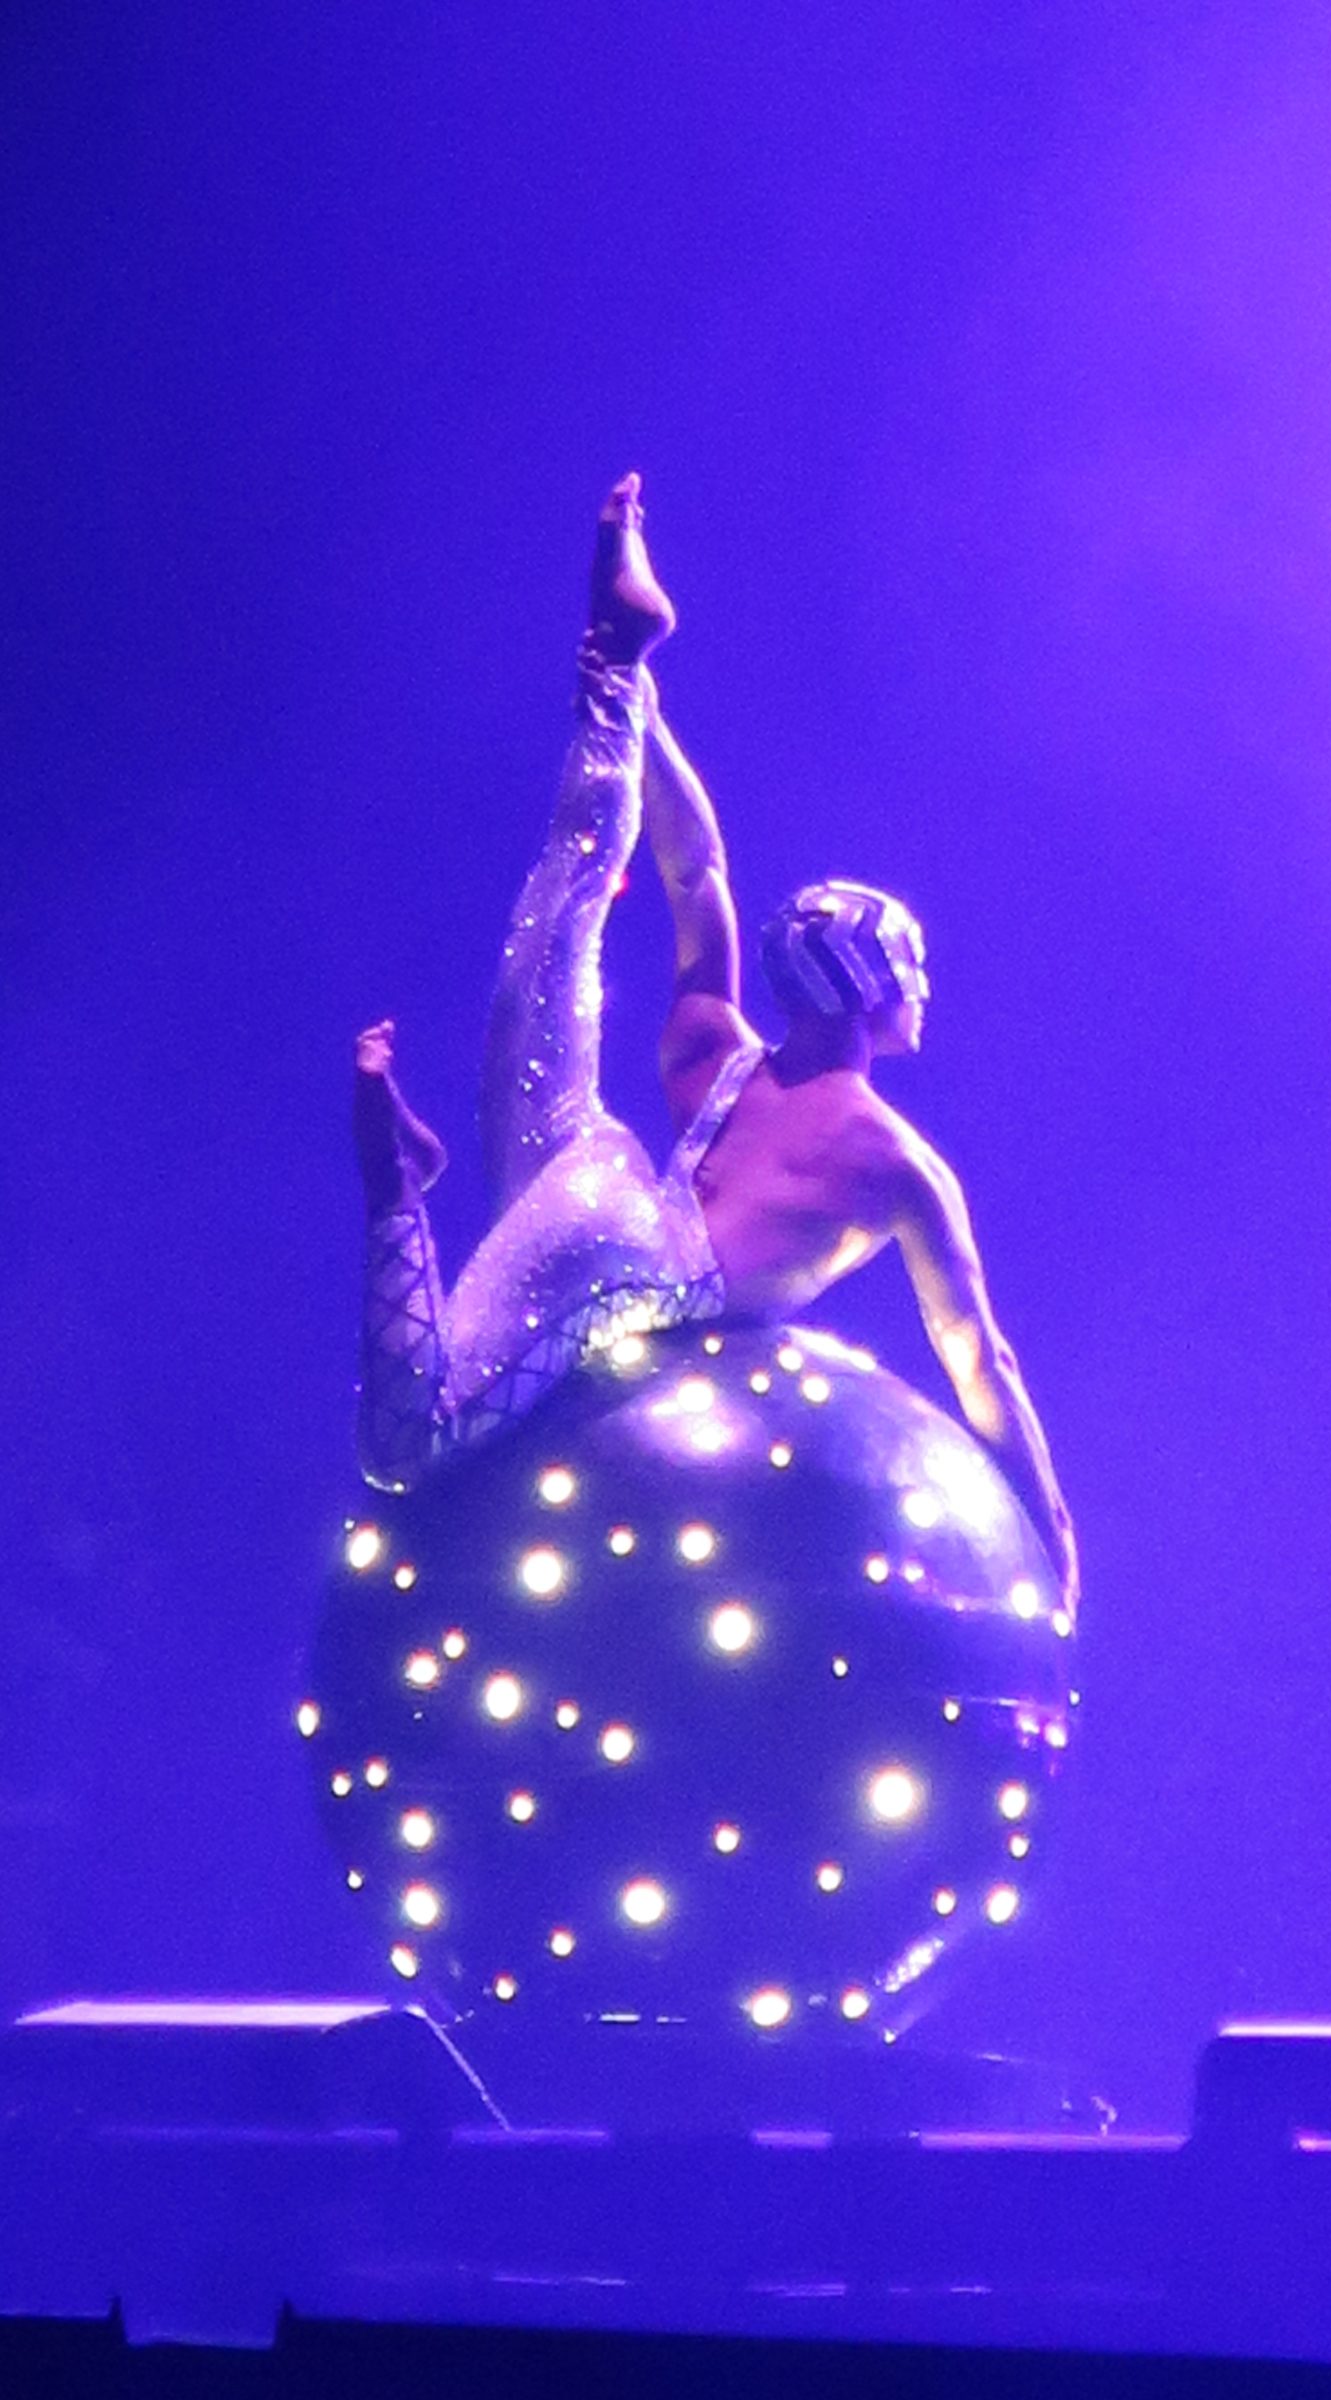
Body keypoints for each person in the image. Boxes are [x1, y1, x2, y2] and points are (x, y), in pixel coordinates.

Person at [353, 477, 1076, 1599]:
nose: (926, 993)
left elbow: (697, 876)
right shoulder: (898, 1166)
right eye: (914, 973)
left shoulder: (719, 1050)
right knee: (404, 1449)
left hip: (593, 1171)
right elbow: (979, 1357)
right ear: (876, 993)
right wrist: (1049, 1525)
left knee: (558, 936)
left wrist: (638, 706)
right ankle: (395, 1185)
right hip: (640, 1276)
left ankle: (616, 668)